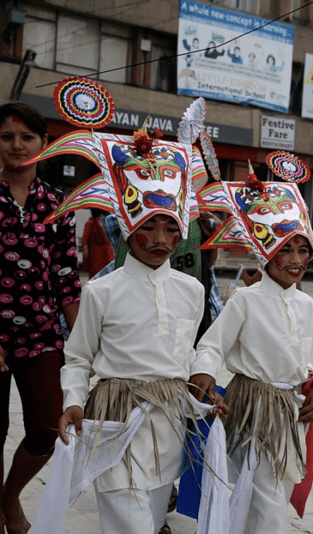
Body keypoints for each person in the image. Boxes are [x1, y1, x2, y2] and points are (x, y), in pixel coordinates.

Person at [27, 116, 226, 534]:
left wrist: (203, 373)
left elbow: (193, 347)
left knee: (151, 514)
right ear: (127, 226)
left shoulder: (191, 289)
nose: (159, 238)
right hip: (116, 416)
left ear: (181, 233)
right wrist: (73, 400)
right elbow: (78, 356)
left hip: (170, 417)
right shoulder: (102, 290)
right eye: (148, 226)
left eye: (170, 227)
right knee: (128, 520)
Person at [195, 161, 313, 533]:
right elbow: (212, 345)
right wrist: (204, 373)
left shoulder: (306, 304)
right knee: (266, 498)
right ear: (266, 253)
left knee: (276, 492)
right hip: (252, 406)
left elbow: (297, 356)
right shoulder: (245, 300)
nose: (298, 261)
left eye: (304, 251)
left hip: (290, 410)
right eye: (287, 250)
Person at [0, 102, 82, 534]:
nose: (16, 145)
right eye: (7, 137)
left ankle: (8, 496)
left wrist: (87, 342)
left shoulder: (58, 203)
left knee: (47, 429)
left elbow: (66, 277)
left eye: (26, 137)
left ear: (43, 144)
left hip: (42, 334)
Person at [82, 208, 115, 279]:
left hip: (106, 253)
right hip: (96, 254)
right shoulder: (90, 223)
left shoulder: (105, 221)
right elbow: (85, 239)